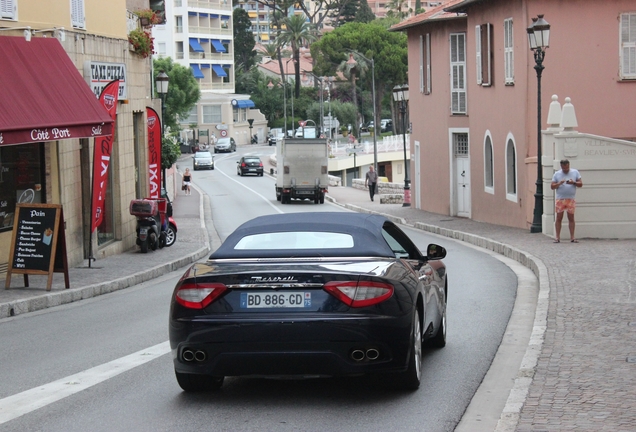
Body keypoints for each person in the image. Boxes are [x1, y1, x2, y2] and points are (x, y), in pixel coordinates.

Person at [551, 159, 582, 243]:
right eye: (564, 168)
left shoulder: (575, 172)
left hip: (570, 199)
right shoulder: (557, 174)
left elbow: (580, 184)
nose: (565, 170)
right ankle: (557, 237)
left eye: (567, 168)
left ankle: (572, 237)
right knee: (559, 217)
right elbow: (552, 186)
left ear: (569, 165)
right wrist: (559, 183)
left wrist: (573, 183)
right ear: (561, 166)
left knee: (571, 217)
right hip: (560, 199)